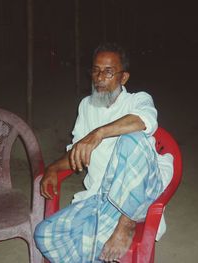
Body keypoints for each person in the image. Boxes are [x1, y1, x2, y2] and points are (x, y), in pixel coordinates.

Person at [34, 43, 173, 262]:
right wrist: (52, 168)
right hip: (101, 197)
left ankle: (125, 226)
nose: (99, 78)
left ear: (123, 77)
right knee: (44, 235)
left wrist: (98, 133)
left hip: (140, 194)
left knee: (131, 139)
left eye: (108, 72)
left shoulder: (138, 100)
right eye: (96, 70)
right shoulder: (86, 106)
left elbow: (145, 121)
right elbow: (77, 153)